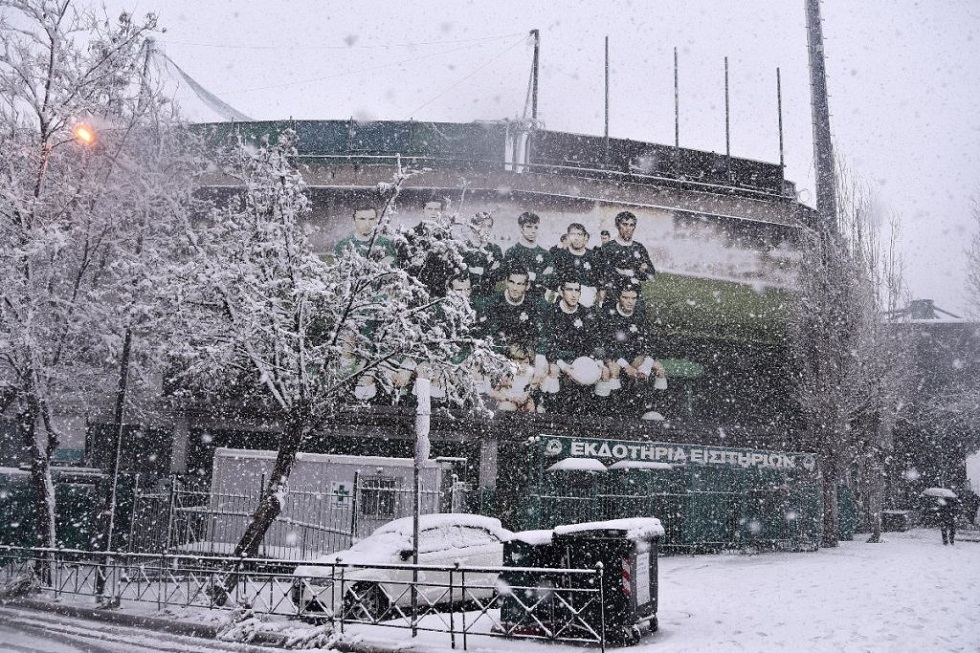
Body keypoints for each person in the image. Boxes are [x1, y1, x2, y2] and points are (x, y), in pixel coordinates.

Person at [600, 280, 667, 420]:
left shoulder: (639, 314)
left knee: (659, 369)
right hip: (614, 356)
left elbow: (649, 343)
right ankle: (613, 412)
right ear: (618, 297)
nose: (630, 302)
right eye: (625, 297)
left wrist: (646, 365)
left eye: (633, 298)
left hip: (633, 355)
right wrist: (626, 366)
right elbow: (608, 346)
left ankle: (656, 410)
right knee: (614, 370)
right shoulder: (609, 314)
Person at [538, 278, 607, 414]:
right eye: (569, 290)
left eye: (577, 290)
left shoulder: (586, 313)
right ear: (561, 291)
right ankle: (551, 411)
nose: (574, 294)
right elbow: (547, 343)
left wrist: (599, 362)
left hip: (581, 360)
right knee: (553, 372)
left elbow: (595, 340)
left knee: (604, 373)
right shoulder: (551, 313)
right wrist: (561, 364)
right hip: (559, 359)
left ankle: (597, 415)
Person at [396, 198, 461, 298]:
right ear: (423, 211)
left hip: (441, 294)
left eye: (437, 209)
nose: (433, 212)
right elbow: (402, 266)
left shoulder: (448, 238)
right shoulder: (410, 236)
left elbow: (454, 268)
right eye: (430, 209)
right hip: (416, 292)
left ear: (441, 212)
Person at [600, 211, 655, 302]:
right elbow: (605, 273)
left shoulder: (639, 248)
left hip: (635, 297)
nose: (628, 228)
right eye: (625, 224)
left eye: (631, 225)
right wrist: (637, 271)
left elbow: (651, 273)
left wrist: (626, 272)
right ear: (618, 225)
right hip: (613, 296)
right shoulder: (608, 248)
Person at [502, 211, 554, 299]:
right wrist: (539, 277)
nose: (533, 231)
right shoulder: (512, 252)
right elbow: (510, 279)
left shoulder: (545, 254)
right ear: (521, 228)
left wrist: (533, 276)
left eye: (536, 227)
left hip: (538, 298)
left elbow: (552, 279)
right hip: (517, 299)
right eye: (529, 227)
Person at [552, 223, 602, 308]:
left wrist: (592, 291)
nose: (576, 238)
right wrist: (562, 290)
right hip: (565, 302)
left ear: (584, 236)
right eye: (573, 234)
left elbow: (599, 279)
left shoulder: (592, 256)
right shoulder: (561, 255)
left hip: (587, 303)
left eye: (579, 234)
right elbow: (552, 278)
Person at [461, 211, 504, 300]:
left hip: (489, 299)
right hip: (466, 299)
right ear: (473, 227)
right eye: (483, 226)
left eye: (489, 226)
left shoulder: (495, 250)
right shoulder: (463, 248)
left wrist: (486, 272)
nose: (486, 230)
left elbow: (500, 278)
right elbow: (462, 277)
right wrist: (488, 270)